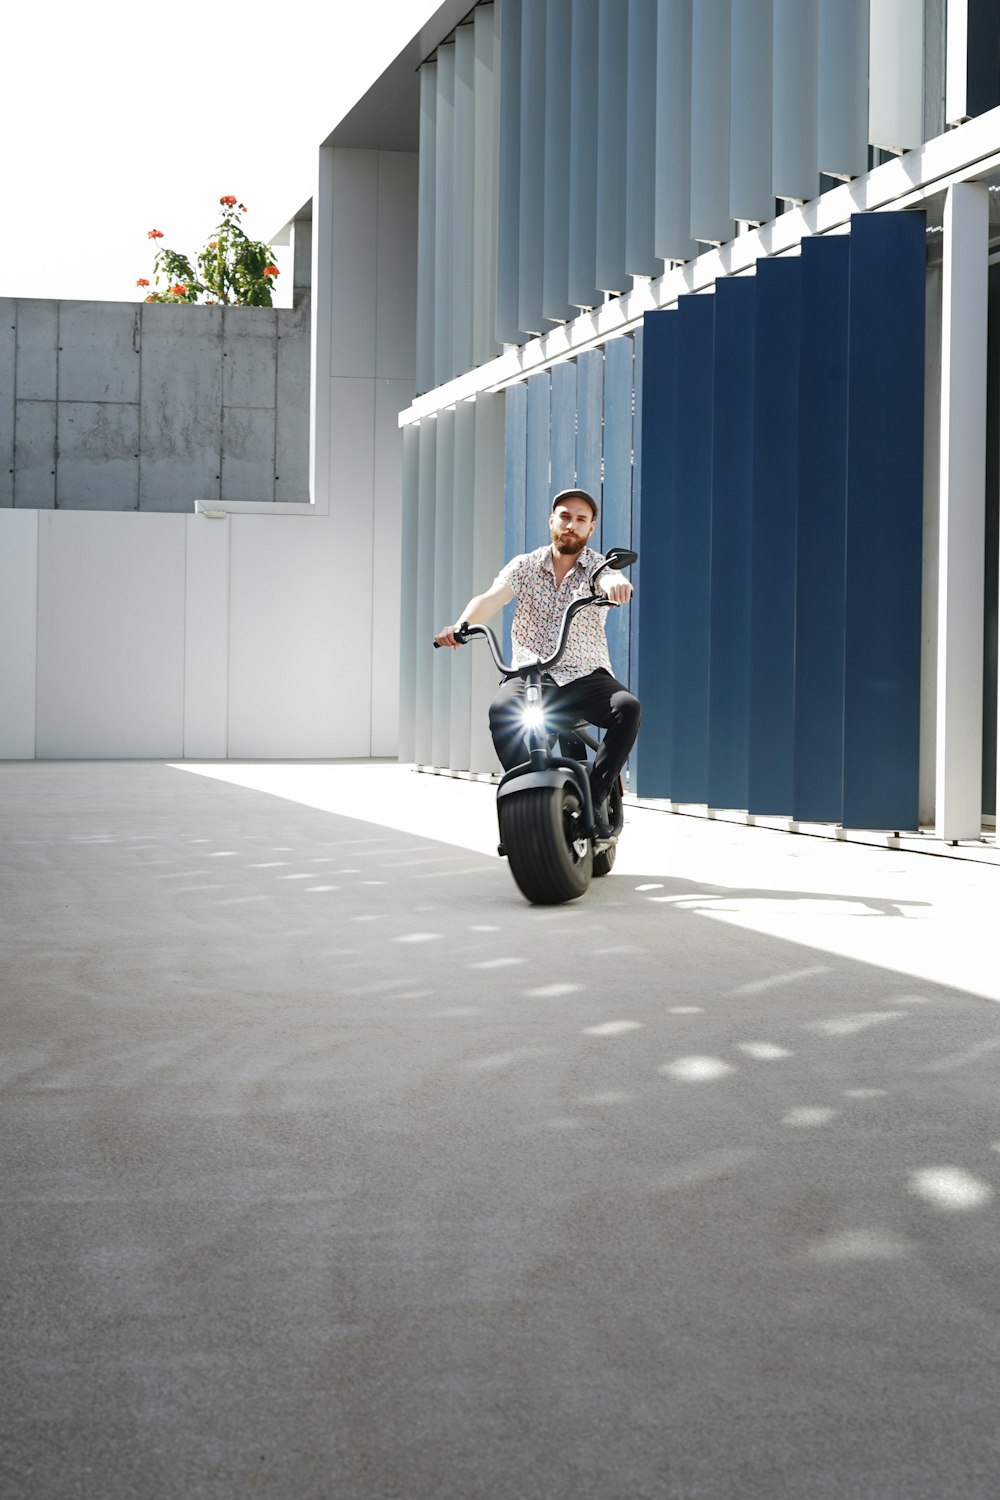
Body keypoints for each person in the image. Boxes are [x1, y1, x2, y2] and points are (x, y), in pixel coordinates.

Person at [434, 488, 641, 839]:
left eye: (580, 519)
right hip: (532, 676)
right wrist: (460, 626)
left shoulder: (595, 566)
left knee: (627, 708)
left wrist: (617, 583)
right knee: (501, 711)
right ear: (552, 521)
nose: (571, 525)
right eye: (564, 516)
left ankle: (595, 795)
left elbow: (609, 578)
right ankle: (531, 794)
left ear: (590, 529)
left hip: (584, 675)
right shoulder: (525, 565)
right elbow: (490, 598)